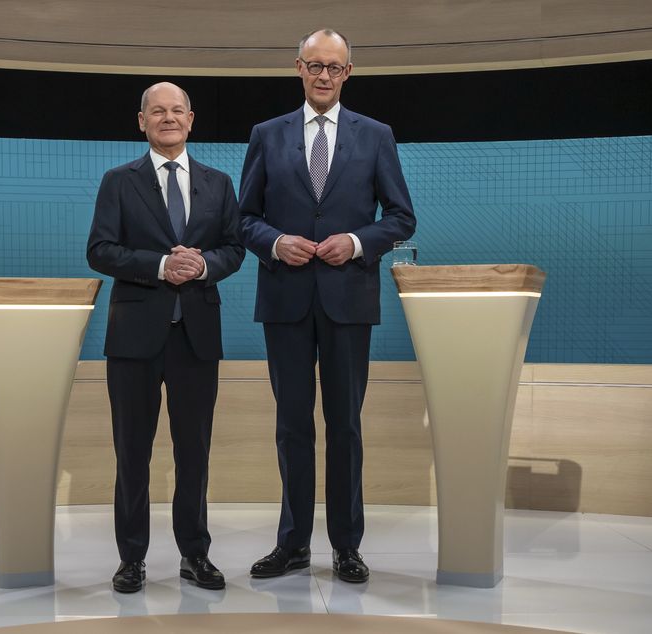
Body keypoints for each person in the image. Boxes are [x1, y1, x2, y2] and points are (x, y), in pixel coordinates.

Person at [239, 29, 416, 583]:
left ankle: (346, 546)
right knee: (292, 427)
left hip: (348, 301)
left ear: (348, 72)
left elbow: (400, 217)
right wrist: (274, 242)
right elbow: (243, 218)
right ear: (298, 68)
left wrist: (358, 242)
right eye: (314, 65)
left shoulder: (377, 135)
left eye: (333, 68)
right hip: (285, 302)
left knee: (344, 427)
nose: (322, 75)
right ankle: (292, 544)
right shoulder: (267, 135)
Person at [87, 82, 244, 593]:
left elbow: (234, 249)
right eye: (158, 111)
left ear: (192, 119)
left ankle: (194, 554)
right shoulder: (118, 181)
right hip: (133, 339)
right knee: (132, 453)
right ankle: (131, 559)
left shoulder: (218, 184)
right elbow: (100, 250)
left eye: (177, 110)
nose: (168, 118)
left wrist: (202, 264)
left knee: (193, 452)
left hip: (196, 336)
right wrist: (159, 265)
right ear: (142, 121)